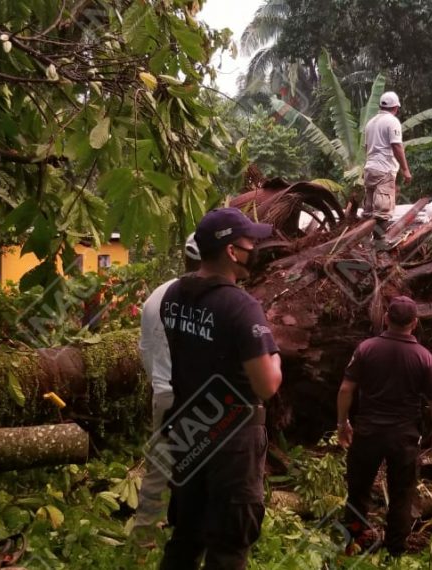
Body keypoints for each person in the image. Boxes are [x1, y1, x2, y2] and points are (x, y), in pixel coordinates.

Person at [159, 208, 283, 570]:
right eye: (249, 242)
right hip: (233, 439)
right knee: (228, 546)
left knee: (185, 537)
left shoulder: (173, 296)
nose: (254, 248)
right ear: (231, 251)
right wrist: (274, 356)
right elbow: (266, 385)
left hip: (188, 427)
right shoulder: (241, 307)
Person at [337, 296, 432, 556]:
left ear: (386, 318)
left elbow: (345, 389)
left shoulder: (366, 349)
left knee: (358, 491)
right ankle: (395, 552)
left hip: (368, 433)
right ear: (415, 323)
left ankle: (353, 542)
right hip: (404, 437)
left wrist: (343, 422)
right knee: (401, 495)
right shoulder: (424, 358)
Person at [134, 234, 201, 532]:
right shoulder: (214, 300)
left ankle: (146, 532)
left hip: (163, 394)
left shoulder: (156, 297)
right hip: (198, 397)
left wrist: (159, 383)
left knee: (159, 465)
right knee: (198, 464)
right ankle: (187, 528)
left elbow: (145, 349)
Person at [361, 91, 412, 226]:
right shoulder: (392, 121)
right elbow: (397, 146)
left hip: (370, 169)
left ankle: (364, 242)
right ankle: (379, 243)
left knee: (368, 211)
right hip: (384, 170)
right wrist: (405, 170)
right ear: (396, 107)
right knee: (383, 212)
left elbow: (366, 148)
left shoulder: (370, 123)